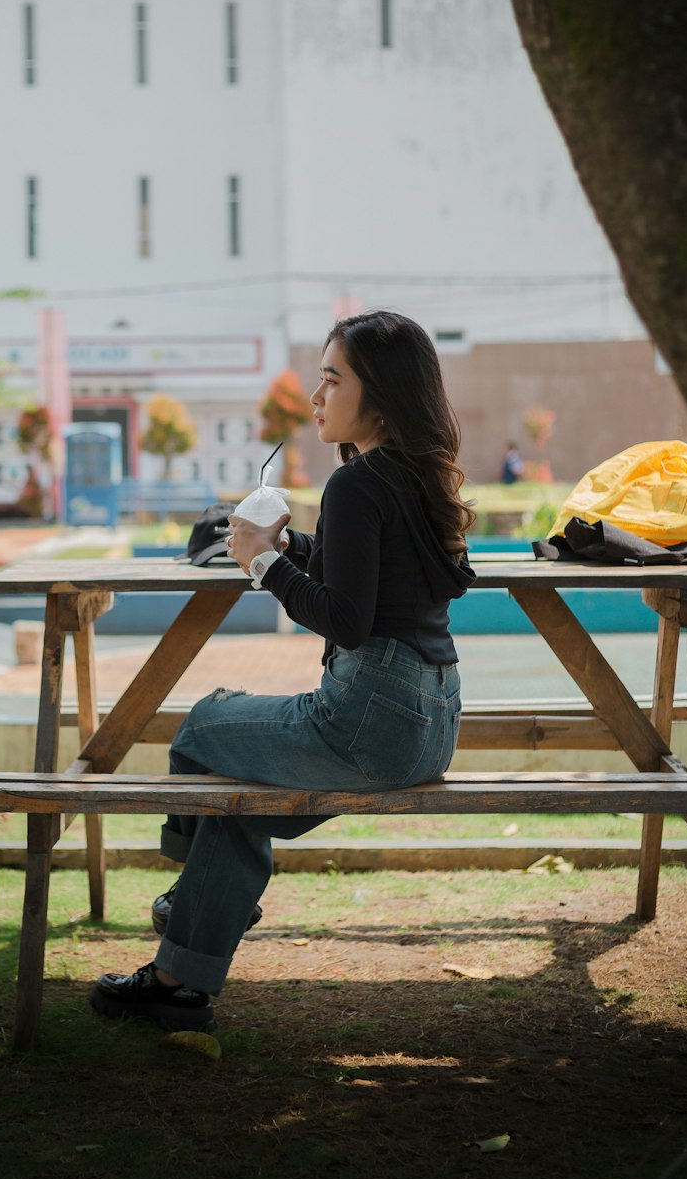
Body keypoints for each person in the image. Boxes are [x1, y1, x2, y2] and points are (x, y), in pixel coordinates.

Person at [89, 311, 476, 1033]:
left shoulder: (358, 485)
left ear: (381, 394)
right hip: (435, 718)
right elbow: (381, 573)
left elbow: (348, 617)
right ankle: (181, 979)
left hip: (369, 720)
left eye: (333, 379)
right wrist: (289, 539)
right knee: (241, 801)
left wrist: (260, 562)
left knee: (204, 724)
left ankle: (188, 898)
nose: (317, 397)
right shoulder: (415, 475)